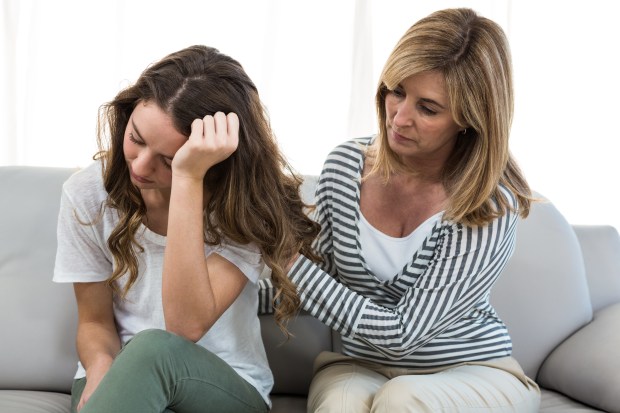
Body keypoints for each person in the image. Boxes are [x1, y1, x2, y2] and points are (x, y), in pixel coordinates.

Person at [259, 7, 541, 412]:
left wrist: (288, 262)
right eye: (396, 91)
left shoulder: (490, 204)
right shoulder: (345, 167)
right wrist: (223, 286)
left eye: (428, 108)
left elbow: (403, 333)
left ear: (469, 118)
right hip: (360, 365)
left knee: (401, 400)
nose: (399, 117)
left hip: (471, 370)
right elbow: (315, 283)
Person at [53, 45, 319, 413]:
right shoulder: (87, 194)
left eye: (168, 159)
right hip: (120, 374)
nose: (141, 167)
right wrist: (101, 368)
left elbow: (185, 325)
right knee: (138, 360)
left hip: (223, 386)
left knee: (153, 349)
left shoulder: (242, 209)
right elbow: (94, 322)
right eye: (137, 139)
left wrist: (188, 179)